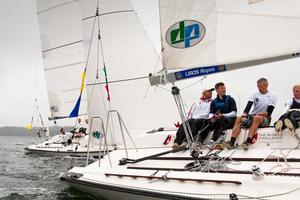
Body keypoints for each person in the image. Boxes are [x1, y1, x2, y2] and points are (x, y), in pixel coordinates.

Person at [223, 78, 277, 150]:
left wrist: (256, 114)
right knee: (239, 118)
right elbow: (248, 107)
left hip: (264, 119)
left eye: (260, 86)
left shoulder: (272, 96)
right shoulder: (255, 94)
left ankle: (247, 142)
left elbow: (268, 113)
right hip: (253, 116)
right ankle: (231, 142)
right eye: (258, 86)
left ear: (266, 85)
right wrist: (245, 115)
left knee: (257, 117)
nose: (259, 88)